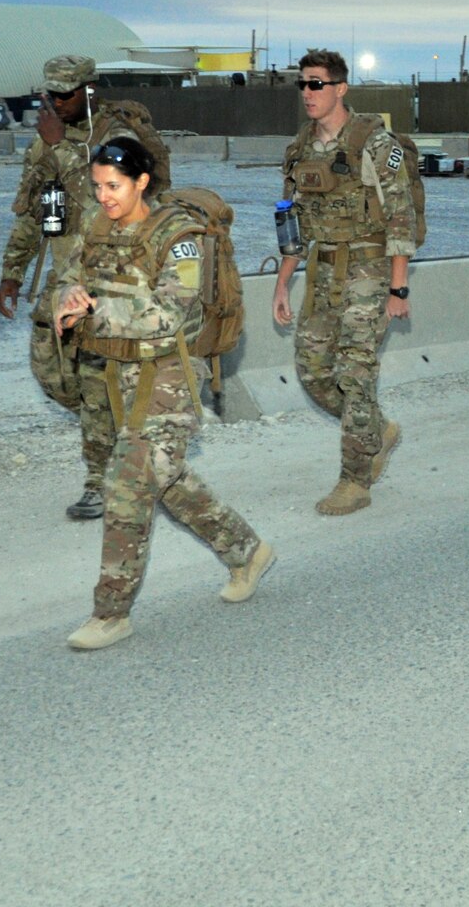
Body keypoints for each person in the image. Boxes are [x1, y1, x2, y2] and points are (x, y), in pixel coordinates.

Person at [55, 137, 273, 652]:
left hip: (172, 373)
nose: (104, 195)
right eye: (98, 186)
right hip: (120, 375)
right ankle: (246, 550)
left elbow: (171, 311)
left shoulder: (179, 238)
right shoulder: (98, 227)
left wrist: (94, 312)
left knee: (128, 484)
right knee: (167, 478)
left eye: (114, 186)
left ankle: (111, 613)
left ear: (142, 182)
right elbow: (71, 274)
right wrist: (68, 293)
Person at [0, 55, 163, 520]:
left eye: (63, 95)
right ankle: (125, 432)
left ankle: (100, 481)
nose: (54, 104)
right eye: (47, 95)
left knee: (92, 380)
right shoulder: (48, 140)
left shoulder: (116, 135)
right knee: (52, 373)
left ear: (88, 91)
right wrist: (12, 271)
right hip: (64, 275)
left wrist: (58, 148)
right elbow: (33, 209)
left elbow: (108, 196)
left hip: (112, 276)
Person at [271, 50, 417, 516]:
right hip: (323, 269)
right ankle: (376, 429)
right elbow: (291, 223)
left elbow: (401, 218)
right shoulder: (299, 148)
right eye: (302, 85)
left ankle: (355, 480)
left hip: (369, 270)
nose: (308, 94)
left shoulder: (376, 144)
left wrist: (398, 289)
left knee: (355, 374)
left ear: (340, 88)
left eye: (317, 84)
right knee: (313, 372)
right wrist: (282, 284)